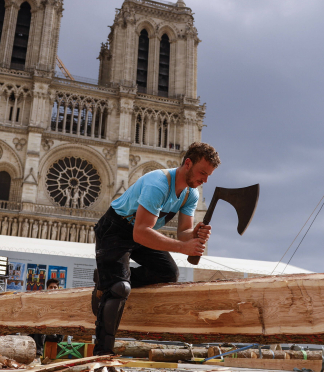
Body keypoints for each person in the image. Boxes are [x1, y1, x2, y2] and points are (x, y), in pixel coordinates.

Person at [91, 142, 220, 355]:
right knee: (119, 289)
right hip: (115, 229)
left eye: (209, 176)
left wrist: (194, 234)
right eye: (202, 173)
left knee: (168, 272)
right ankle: (102, 355)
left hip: (139, 231)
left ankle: (107, 277)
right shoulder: (158, 183)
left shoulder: (191, 194)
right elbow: (141, 232)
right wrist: (183, 247)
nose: (205, 180)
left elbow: (183, 233)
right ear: (188, 163)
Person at [31, 278, 62, 356]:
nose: (53, 289)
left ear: (58, 288)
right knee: (30, 336)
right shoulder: (43, 301)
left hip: (56, 333)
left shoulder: (61, 302)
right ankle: (28, 356)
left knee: (41, 330)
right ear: (47, 288)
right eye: (51, 287)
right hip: (45, 330)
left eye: (55, 287)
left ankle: (38, 354)